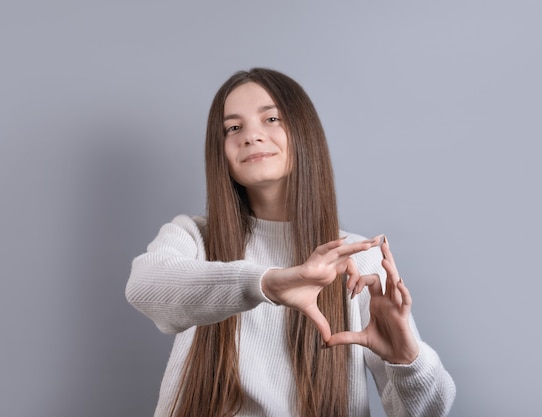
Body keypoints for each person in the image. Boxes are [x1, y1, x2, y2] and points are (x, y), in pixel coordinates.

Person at [126, 68, 456, 417]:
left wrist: (407, 358)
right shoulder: (194, 237)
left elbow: (427, 412)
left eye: (271, 118)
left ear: (303, 132)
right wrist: (266, 283)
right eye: (233, 128)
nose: (251, 136)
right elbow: (144, 286)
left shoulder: (358, 260)